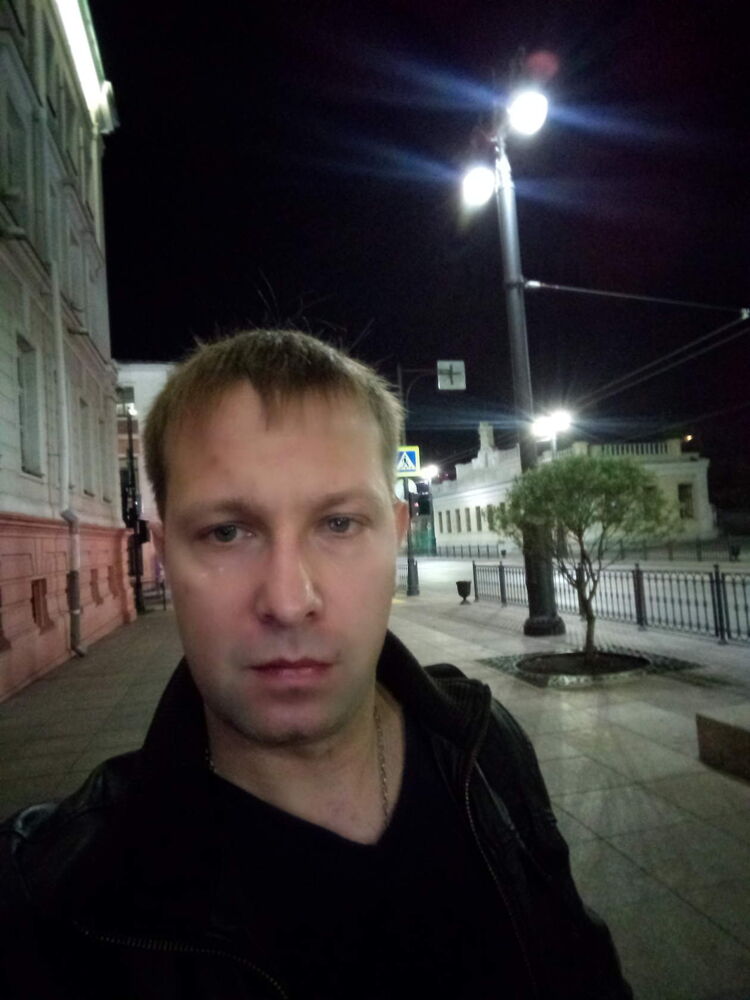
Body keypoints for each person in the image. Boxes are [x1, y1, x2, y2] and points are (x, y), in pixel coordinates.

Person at [0, 329, 632, 999]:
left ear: (395, 536)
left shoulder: (484, 745)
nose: (287, 600)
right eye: (226, 532)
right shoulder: (55, 897)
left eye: (338, 524)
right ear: (165, 554)